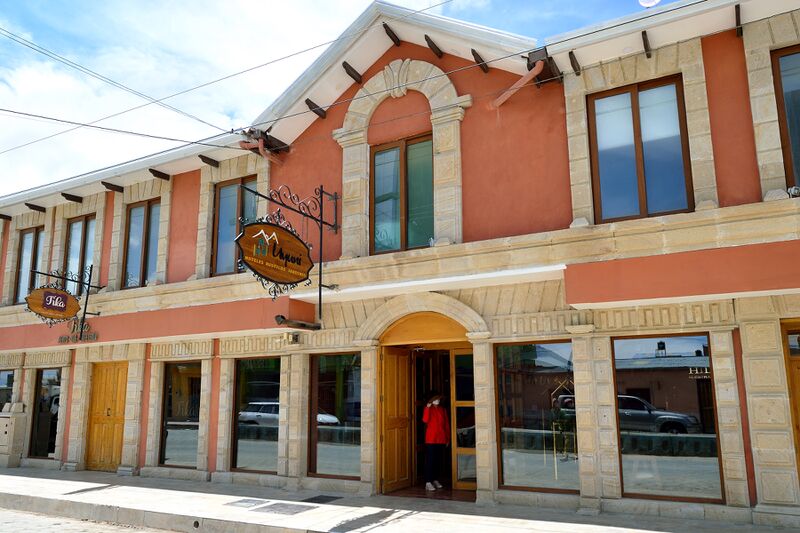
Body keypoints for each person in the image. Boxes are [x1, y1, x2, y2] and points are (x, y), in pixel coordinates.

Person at [422, 392, 450, 492]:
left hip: (441, 438)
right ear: (431, 400)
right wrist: (427, 408)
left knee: (438, 460)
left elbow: (446, 425)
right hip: (431, 438)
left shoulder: (443, 410)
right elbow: (425, 420)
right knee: (430, 460)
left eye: (438, 399)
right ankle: (428, 482)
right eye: (435, 399)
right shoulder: (428, 409)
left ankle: (435, 479)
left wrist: (447, 438)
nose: (437, 400)